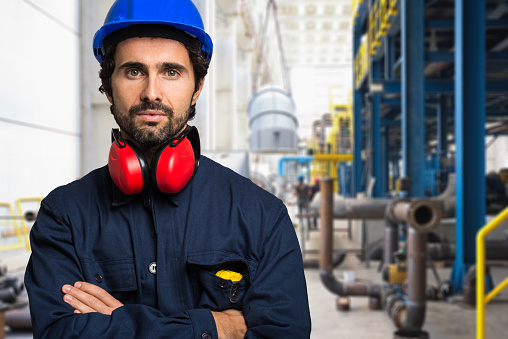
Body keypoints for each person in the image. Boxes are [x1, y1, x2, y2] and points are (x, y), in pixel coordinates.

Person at [24, 0, 311, 338]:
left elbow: (283, 333)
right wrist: (218, 327)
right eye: (134, 71)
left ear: (197, 88)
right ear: (107, 87)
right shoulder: (65, 217)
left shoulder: (260, 215)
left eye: (171, 72)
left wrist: (120, 323)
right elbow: (59, 332)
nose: (151, 92)